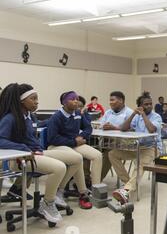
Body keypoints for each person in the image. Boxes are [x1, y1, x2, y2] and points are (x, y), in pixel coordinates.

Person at [0, 83, 67, 223]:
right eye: (33, 98)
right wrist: (23, 148)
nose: (37, 102)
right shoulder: (10, 118)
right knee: (60, 167)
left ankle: (57, 194)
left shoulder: (28, 116)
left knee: (75, 158)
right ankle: (47, 203)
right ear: (22, 100)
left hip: (34, 153)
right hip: (20, 159)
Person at [47, 91, 102, 209]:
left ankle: (96, 189)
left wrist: (82, 137)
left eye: (77, 98)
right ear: (64, 102)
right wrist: (74, 141)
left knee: (97, 155)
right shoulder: (56, 117)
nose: (76, 101)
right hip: (57, 146)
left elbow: (88, 128)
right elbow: (52, 138)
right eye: (72, 99)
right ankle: (82, 193)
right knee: (78, 159)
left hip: (74, 144)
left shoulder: (78, 113)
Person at [110, 91, 162, 204]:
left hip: (152, 148)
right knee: (113, 154)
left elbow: (152, 129)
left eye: (150, 104)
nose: (149, 106)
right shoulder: (136, 116)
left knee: (140, 163)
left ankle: (126, 190)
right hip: (137, 147)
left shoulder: (156, 116)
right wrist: (133, 114)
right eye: (146, 104)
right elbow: (123, 128)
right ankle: (129, 182)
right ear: (140, 106)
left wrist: (143, 115)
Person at [97, 91, 134, 181]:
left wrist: (114, 128)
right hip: (106, 141)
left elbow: (133, 131)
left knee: (108, 154)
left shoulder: (129, 113)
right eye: (110, 100)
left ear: (121, 100)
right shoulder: (108, 112)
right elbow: (101, 125)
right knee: (88, 149)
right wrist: (104, 126)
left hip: (124, 143)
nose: (110, 102)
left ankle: (96, 180)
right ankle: (88, 178)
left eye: (112, 100)